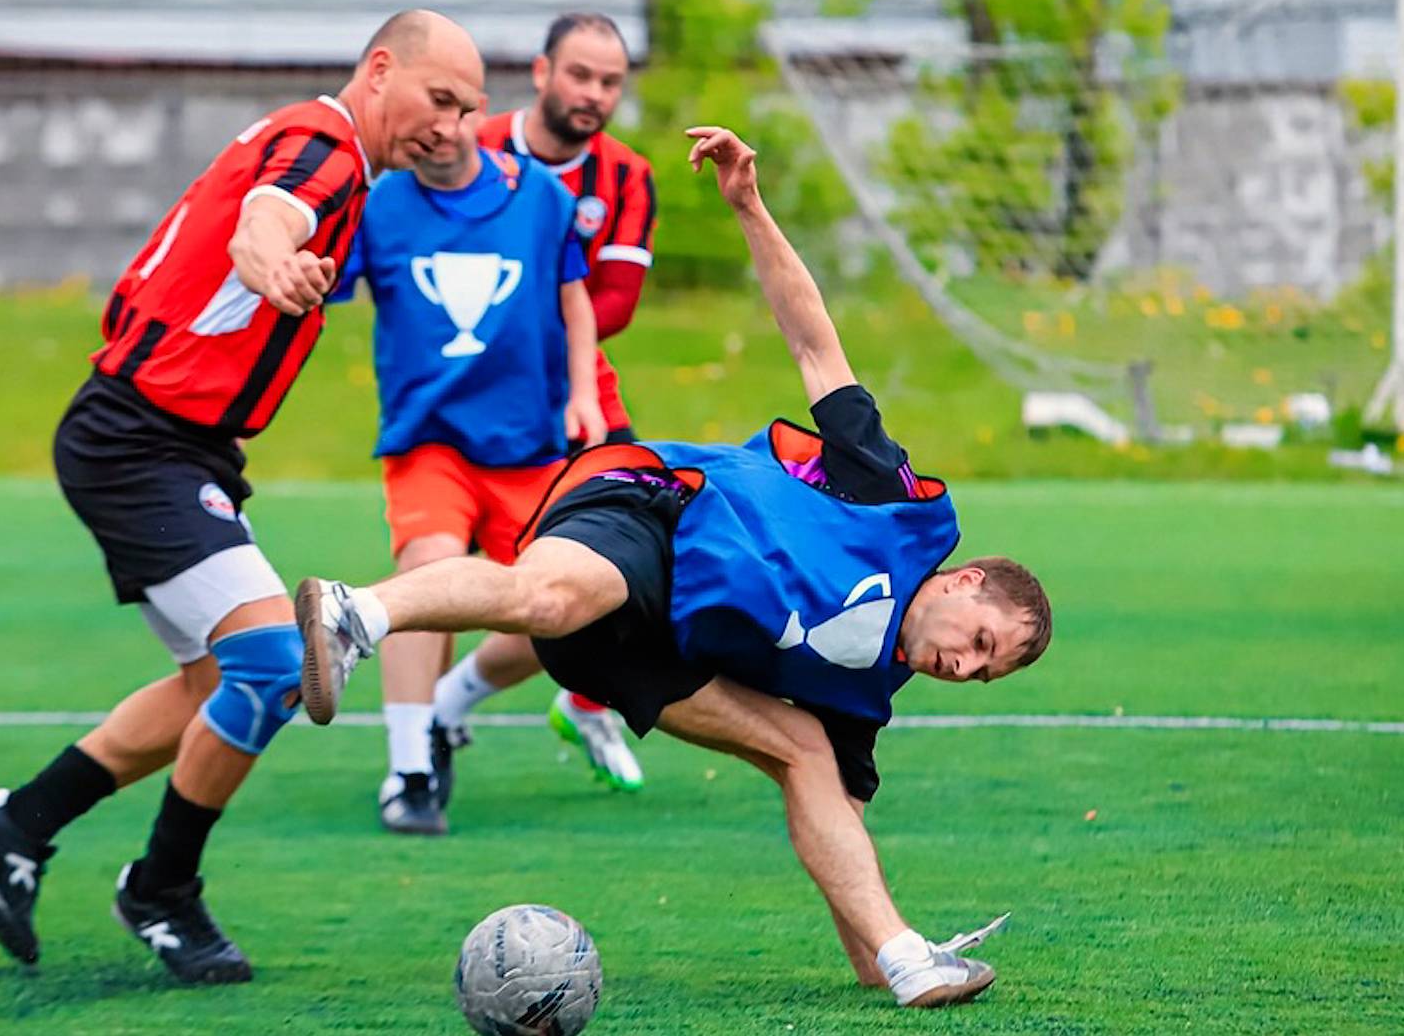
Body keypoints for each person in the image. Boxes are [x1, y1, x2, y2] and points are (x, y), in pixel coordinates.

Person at [296, 126, 1052, 1008]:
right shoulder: (895, 501)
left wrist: (877, 948)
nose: (963, 667)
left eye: (982, 673)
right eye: (980, 642)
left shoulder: (863, 696)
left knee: (804, 750)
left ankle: (908, 961)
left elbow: (837, 818)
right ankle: (356, 614)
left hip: (642, 649)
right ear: (965, 582)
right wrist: (750, 207)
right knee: (550, 595)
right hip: (660, 514)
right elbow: (814, 343)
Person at [0, 10, 485, 984]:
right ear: (379, 70)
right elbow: (263, 222)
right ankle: (160, 888)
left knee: (215, 687)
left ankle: (18, 824)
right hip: (140, 443)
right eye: (439, 99)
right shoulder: (326, 148)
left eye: (467, 111)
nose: (449, 127)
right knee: (277, 664)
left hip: (172, 446)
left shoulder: (328, 155)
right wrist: (275, 263)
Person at [328, 109, 605, 834]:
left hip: (532, 445)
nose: (440, 128)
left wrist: (583, 393)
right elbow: (318, 287)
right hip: (430, 442)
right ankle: (409, 772)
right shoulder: (378, 205)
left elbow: (574, 297)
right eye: (422, 113)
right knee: (426, 569)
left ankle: (449, 705)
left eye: (454, 109)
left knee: (571, 605)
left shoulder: (541, 195)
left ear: (477, 110)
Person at [435, 11, 658, 794]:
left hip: (579, 403)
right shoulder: (473, 147)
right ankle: (417, 741)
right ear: (541, 73)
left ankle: (571, 700)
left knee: (630, 563)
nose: (594, 93)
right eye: (580, 75)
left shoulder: (626, 176)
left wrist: (530, 328)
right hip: (464, 403)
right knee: (441, 570)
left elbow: (617, 301)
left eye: (610, 82)